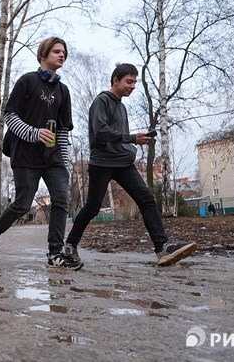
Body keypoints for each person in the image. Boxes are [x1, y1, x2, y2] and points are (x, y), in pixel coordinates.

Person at [63, 63, 197, 266]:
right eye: (129, 81)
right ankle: (70, 245)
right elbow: (101, 132)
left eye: (134, 82)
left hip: (123, 162)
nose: (133, 86)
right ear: (115, 80)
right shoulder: (102, 101)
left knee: (147, 200)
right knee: (92, 207)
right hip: (102, 162)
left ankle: (162, 247)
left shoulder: (121, 106)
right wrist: (132, 138)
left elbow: (118, 136)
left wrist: (131, 144)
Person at [0, 37, 82, 269]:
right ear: (43, 54)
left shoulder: (63, 91)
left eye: (64, 52)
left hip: (53, 157)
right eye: (57, 51)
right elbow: (9, 116)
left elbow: (64, 129)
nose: (62, 55)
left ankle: (55, 253)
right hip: (25, 155)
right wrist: (34, 133)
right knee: (23, 203)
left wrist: (64, 160)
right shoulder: (27, 81)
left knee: (61, 199)